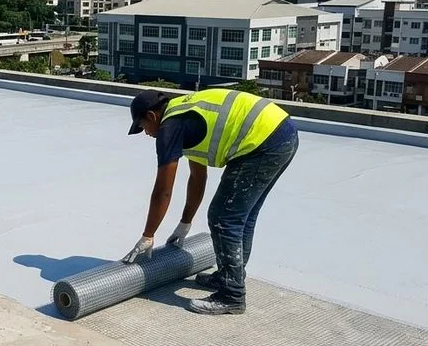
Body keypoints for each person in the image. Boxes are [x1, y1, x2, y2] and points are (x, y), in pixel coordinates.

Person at [122, 88, 298, 315]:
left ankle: (232, 295)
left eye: (142, 127)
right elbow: (197, 177)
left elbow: (163, 190)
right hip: (281, 134)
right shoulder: (187, 118)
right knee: (240, 216)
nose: (146, 134)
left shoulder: (170, 128)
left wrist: (148, 235)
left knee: (224, 217)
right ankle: (230, 277)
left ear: (152, 116)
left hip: (264, 142)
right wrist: (185, 223)